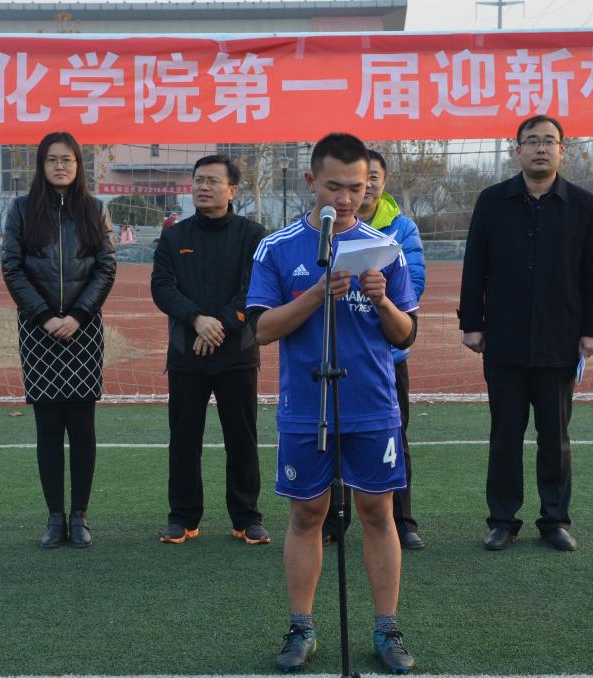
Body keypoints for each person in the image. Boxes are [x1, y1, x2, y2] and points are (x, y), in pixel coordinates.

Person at [247, 133, 418, 673]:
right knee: (306, 513)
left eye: (357, 188)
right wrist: (318, 292)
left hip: (372, 404)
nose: (346, 199)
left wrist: (382, 300)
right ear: (311, 182)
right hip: (306, 405)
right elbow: (261, 329)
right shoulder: (276, 248)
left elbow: (406, 334)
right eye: (334, 186)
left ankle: (387, 629)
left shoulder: (384, 247)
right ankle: (301, 627)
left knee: (378, 512)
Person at [459, 115, 593, 552]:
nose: (541, 148)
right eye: (532, 141)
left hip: (559, 339)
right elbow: (475, 265)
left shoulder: (582, 204)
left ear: (563, 150)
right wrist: (471, 323)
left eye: (549, 141)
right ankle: (502, 520)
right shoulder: (492, 201)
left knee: (555, 437)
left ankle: (555, 520)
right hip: (503, 339)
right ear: (518, 150)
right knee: (505, 435)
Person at [2, 131, 116, 549]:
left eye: (67, 159)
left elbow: (106, 267)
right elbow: (12, 268)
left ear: (78, 165)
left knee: (82, 427)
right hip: (39, 330)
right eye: (52, 159)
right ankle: (54, 517)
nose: (60, 166)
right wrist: (46, 317)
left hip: (83, 330)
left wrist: (79, 315)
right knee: (48, 428)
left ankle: (80, 515)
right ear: (41, 164)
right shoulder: (21, 210)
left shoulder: (95, 209)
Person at [151, 155, 269, 546]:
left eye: (213, 181)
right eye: (198, 180)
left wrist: (221, 324)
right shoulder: (174, 236)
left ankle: (247, 518)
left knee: (242, 439)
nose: (203, 187)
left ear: (232, 190)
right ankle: (182, 518)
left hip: (237, 353)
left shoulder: (253, 234)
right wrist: (197, 320)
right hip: (187, 354)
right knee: (184, 439)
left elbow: (254, 287)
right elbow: (162, 287)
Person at [321, 148, 427, 551]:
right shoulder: (322, 227)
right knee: (331, 436)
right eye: (345, 183)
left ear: (379, 182)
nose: (357, 190)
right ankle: (333, 521)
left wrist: (376, 297)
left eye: (368, 180)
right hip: (333, 353)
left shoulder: (400, 228)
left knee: (393, 440)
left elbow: (412, 283)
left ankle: (402, 521)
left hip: (384, 358)